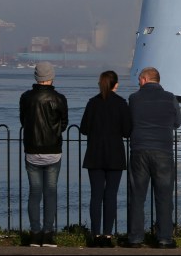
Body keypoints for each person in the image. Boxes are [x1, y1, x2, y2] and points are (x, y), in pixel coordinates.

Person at [127, 66, 181, 249]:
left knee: (137, 196)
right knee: (164, 196)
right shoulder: (170, 98)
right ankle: (164, 238)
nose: (138, 82)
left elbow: (129, 123)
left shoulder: (134, 99)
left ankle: (135, 238)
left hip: (139, 150)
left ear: (144, 79)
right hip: (163, 152)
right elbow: (177, 122)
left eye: (139, 79)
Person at [79, 70, 132, 248]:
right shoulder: (121, 104)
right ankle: (108, 236)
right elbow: (127, 131)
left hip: (94, 154)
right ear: (116, 84)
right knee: (111, 195)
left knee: (96, 195)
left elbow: (84, 128)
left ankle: (95, 235)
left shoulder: (92, 103)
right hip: (115, 155)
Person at [20, 61, 68, 248]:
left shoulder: (26, 97)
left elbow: (23, 120)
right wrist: (55, 132)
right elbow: (63, 123)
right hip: (53, 151)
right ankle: (48, 235)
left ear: (36, 77)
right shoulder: (59, 98)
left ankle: (34, 235)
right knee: (51, 193)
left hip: (32, 150)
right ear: (51, 76)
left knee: (34, 193)